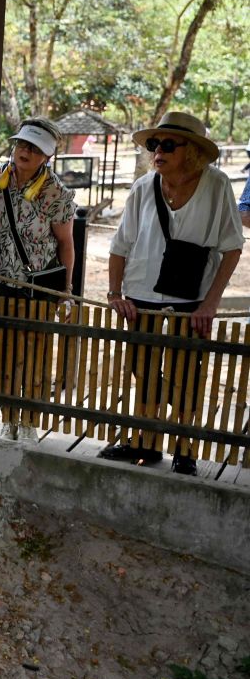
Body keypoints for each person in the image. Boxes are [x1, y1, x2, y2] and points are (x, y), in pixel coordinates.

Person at [98, 111, 243, 476]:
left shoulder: (217, 185)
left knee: (186, 376)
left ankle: (184, 448)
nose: (157, 151)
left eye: (167, 144)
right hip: (140, 298)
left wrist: (210, 303)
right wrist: (116, 293)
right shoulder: (143, 187)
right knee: (143, 371)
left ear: (191, 150)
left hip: (189, 301)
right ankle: (143, 442)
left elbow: (232, 247)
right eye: (153, 144)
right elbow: (120, 246)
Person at [0, 118, 75, 441]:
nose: (25, 151)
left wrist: (66, 290)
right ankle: (8, 417)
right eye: (22, 144)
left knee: (35, 354)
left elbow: (66, 244)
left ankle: (29, 422)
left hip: (38, 285)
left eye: (34, 148)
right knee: (2, 352)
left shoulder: (56, 194)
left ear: (47, 157)